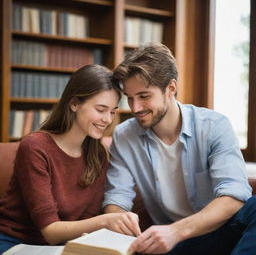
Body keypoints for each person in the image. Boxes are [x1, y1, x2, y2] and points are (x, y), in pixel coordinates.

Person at [103, 43, 256, 255]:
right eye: (130, 98)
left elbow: (233, 197)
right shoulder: (124, 136)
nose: (135, 108)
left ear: (171, 88)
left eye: (144, 96)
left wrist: (176, 231)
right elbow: (116, 199)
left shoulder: (214, 126)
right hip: (174, 247)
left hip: (221, 232)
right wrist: (119, 222)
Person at [0, 64, 140, 254]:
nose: (108, 119)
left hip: (62, 247)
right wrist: (106, 221)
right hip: (15, 243)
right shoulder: (35, 147)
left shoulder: (98, 154)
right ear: (74, 103)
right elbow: (50, 231)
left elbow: (86, 219)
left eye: (112, 111)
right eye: (100, 109)